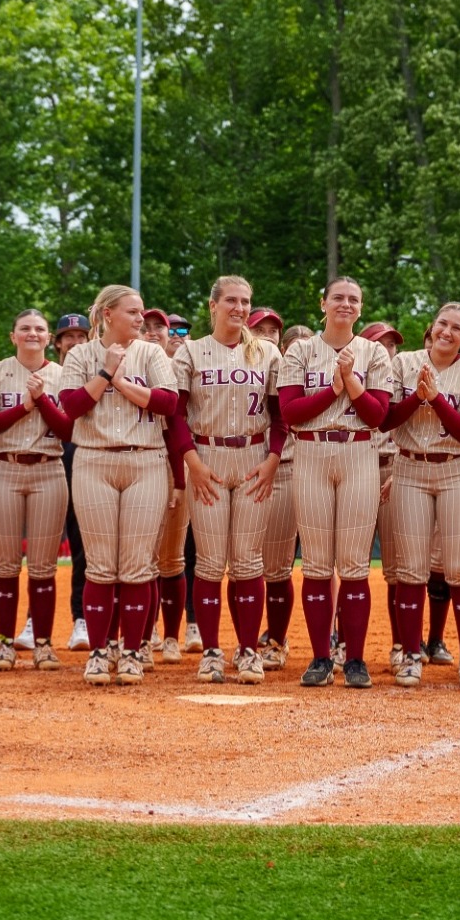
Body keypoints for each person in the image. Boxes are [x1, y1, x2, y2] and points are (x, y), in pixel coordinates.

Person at [57, 285, 180, 685]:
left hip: (145, 458)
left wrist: (124, 383)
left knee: (136, 564)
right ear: (107, 314)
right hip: (94, 458)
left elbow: (168, 403)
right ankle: (98, 652)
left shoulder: (152, 352)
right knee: (101, 565)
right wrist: (107, 372)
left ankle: (130, 652)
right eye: (131, 312)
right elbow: (71, 408)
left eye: (141, 312)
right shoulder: (80, 355)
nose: (139, 319)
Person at [277, 276, 395, 688]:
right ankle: (321, 657)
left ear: (360, 308)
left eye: (353, 299)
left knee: (355, 564)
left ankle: (357, 659)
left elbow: (378, 416)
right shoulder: (301, 350)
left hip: (359, 450)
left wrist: (352, 383)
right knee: (315, 563)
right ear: (323, 303)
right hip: (310, 451)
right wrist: (333, 388)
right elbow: (290, 412)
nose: (345, 304)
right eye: (338, 298)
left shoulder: (374, 352)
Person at [176, 276, 286, 684]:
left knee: (248, 562)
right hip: (207, 456)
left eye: (245, 302)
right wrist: (192, 461)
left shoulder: (267, 353)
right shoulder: (190, 352)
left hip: (254, 456)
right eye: (231, 301)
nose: (239, 308)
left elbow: (279, 415)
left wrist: (274, 458)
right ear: (213, 305)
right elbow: (175, 414)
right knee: (208, 562)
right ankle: (210, 652)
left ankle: (247, 651)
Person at [379, 302, 460, 686]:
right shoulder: (404, 363)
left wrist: (436, 398)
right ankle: (411, 655)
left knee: (459, 569)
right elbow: (386, 420)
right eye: (442, 323)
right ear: (432, 326)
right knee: (411, 569)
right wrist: (417, 397)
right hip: (409, 466)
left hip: (457, 467)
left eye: (457, 328)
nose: (447, 331)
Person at [0, 309, 72, 673]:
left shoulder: (61, 374)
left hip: (48, 468)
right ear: (12, 335)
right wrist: (26, 405)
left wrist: (44, 400)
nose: (32, 333)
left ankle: (43, 644)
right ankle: (4, 644)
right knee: (4, 564)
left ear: (49, 338)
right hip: (3, 465)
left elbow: (67, 430)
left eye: (39, 329)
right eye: (25, 328)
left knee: (43, 566)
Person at [140, 307, 193, 663]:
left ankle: (172, 636)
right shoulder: (129, 366)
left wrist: (179, 476)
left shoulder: (182, 369)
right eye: (147, 326)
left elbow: (177, 428)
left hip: (178, 466)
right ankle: (144, 636)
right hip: (140, 463)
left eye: (161, 327)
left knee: (172, 558)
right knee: (140, 559)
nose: (156, 331)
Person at [257, 320, 311, 670]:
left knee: (278, 564)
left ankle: (276, 638)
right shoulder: (261, 373)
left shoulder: (315, 378)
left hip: (291, 467)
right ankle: (254, 638)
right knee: (245, 563)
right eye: (294, 344)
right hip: (247, 463)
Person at [359, 322, 408, 677]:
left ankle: (400, 645)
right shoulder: (352, 378)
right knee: (351, 563)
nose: (388, 349)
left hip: (394, 467)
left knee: (397, 569)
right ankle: (344, 641)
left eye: (392, 343)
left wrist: (401, 471)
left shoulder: (404, 382)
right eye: (381, 342)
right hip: (358, 466)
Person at [52, 313, 94, 651]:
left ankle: (83, 618)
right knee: (45, 551)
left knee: (86, 547)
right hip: (55, 462)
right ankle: (35, 622)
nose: (75, 341)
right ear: (58, 343)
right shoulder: (48, 375)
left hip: (89, 459)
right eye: (68, 335)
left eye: (82, 334)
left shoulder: (97, 371)